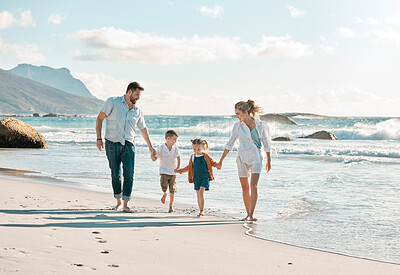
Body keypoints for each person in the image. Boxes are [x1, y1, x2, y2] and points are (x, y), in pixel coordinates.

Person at [96, 81, 155, 213]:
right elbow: (99, 119)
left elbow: (143, 129)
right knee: (115, 173)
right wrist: (99, 138)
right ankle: (118, 203)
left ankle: (126, 204)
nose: (138, 98)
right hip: (112, 143)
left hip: (129, 145)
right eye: (136, 95)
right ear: (129, 92)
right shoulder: (113, 102)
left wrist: (150, 147)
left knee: (129, 174)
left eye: (139, 96)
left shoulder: (137, 111)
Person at [217, 100, 272, 222]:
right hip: (242, 158)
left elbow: (266, 143)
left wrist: (269, 160)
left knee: (254, 186)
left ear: (246, 112)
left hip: (256, 157)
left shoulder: (261, 125)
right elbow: (230, 144)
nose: (237, 116)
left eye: (238, 113)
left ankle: (252, 214)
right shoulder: (238, 126)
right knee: (245, 188)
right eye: (236, 114)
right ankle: (247, 214)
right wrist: (221, 160)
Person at [177, 138, 218, 217]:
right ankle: (200, 209)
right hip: (196, 178)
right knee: (198, 194)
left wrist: (217, 165)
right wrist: (181, 170)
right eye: (194, 149)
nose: (196, 151)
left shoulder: (205, 156)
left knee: (201, 192)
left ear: (202, 147)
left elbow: (212, 162)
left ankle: (202, 211)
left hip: (205, 177)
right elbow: (189, 167)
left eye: (198, 149)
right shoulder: (193, 157)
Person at [151, 130, 181, 213]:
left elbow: (178, 158)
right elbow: (154, 159)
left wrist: (178, 167)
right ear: (168, 138)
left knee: (172, 189)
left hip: (173, 172)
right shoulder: (161, 148)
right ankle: (164, 193)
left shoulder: (176, 149)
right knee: (163, 185)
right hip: (164, 171)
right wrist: (151, 153)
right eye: (174, 139)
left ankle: (171, 205)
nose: (175, 141)